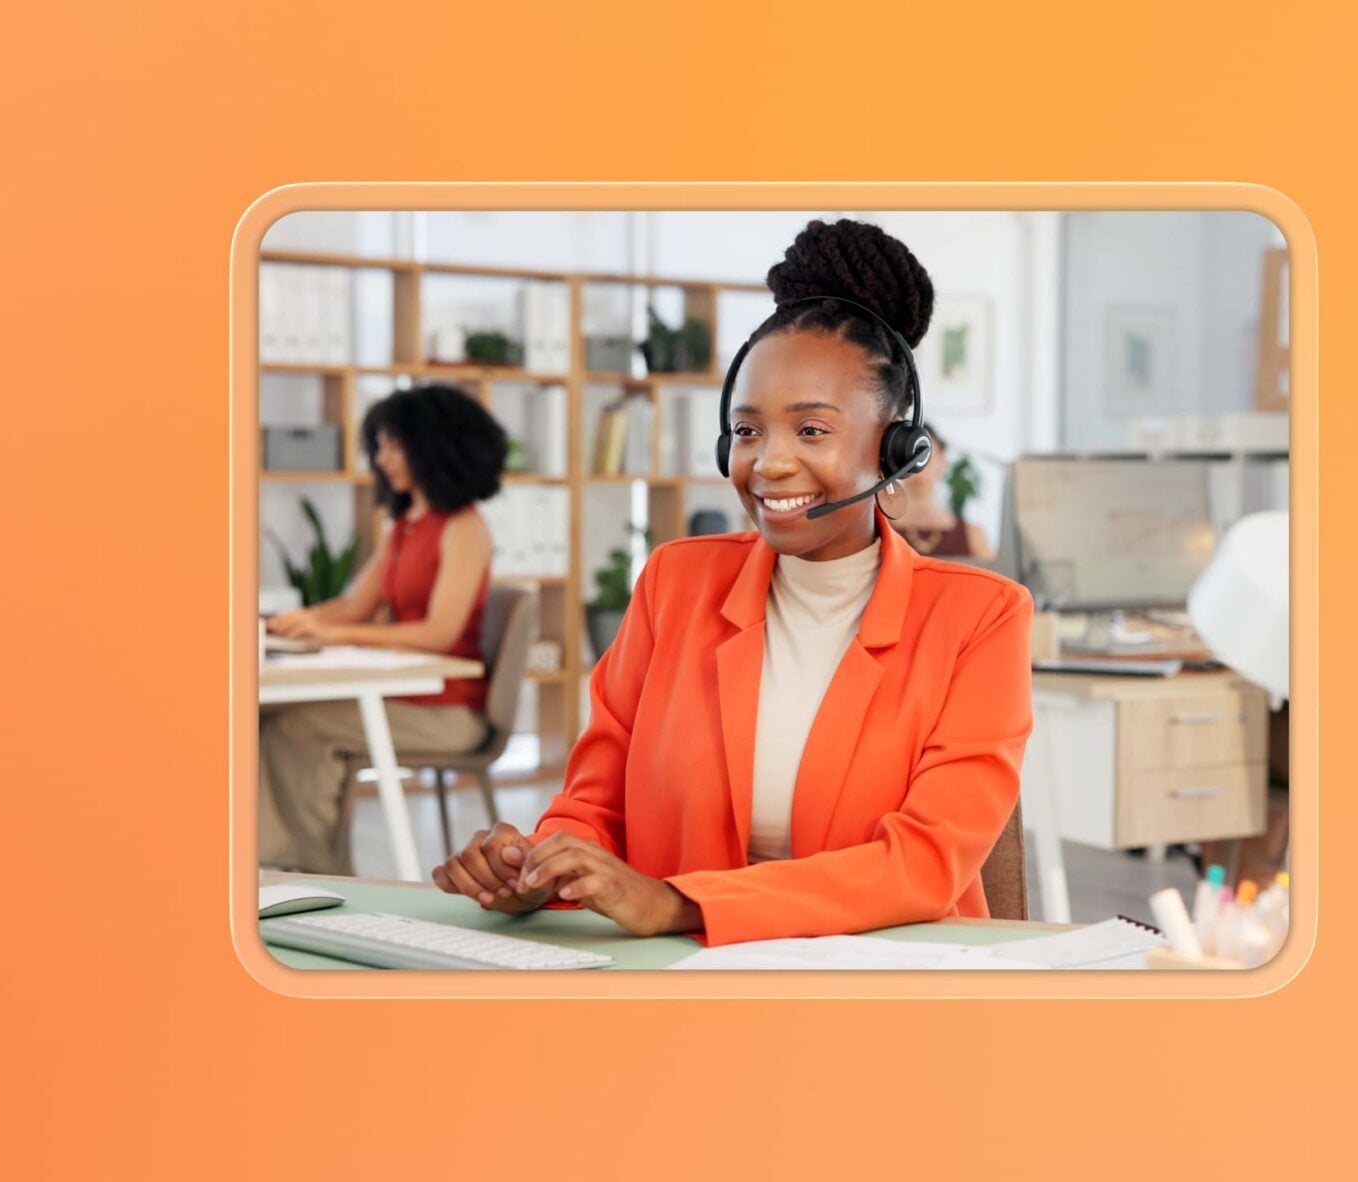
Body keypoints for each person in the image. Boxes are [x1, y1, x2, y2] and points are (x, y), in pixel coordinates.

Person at [430, 219, 1033, 946]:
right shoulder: (676, 582)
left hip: (886, 988)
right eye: (748, 432)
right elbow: (596, 805)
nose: (769, 463)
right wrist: (537, 866)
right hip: (682, 982)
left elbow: (925, 866)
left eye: (812, 430)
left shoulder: (980, 617)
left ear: (896, 449)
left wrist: (680, 904)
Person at [258, 384, 504, 875]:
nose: (383, 457)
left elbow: (437, 633)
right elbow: (354, 605)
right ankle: (281, 862)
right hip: (409, 698)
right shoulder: (407, 524)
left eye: (395, 445)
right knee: (266, 718)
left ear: (434, 446)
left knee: (294, 728)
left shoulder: (464, 529)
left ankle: (304, 868)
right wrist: (299, 622)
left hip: (447, 707)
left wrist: (335, 635)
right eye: (380, 445)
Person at [888, 425, 993, 558]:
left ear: (942, 461)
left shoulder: (973, 536)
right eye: (907, 458)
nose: (916, 468)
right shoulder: (875, 533)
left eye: (925, 457)